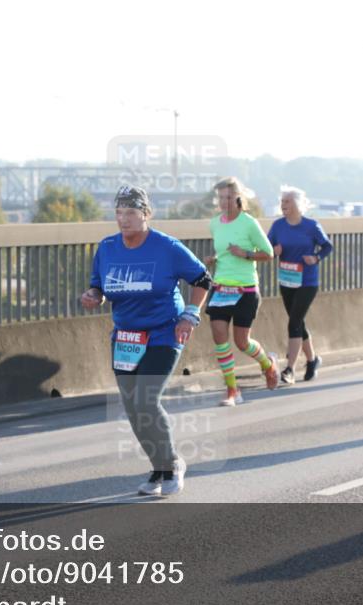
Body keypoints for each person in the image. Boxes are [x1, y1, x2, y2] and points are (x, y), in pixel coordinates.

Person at [82, 185, 211, 496]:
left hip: (164, 332)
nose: (123, 219)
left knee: (146, 400)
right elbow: (98, 287)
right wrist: (93, 296)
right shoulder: (108, 247)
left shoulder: (167, 247)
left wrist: (190, 314)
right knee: (132, 407)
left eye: (130, 212)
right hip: (126, 336)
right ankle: (159, 467)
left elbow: (203, 279)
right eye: (119, 212)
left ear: (146, 214)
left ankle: (172, 465)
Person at [204, 177, 278, 406]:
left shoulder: (249, 223)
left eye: (228, 197)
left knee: (242, 342)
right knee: (219, 335)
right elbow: (225, 250)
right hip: (221, 286)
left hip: (245, 289)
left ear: (237, 198)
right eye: (220, 198)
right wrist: (214, 259)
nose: (224, 202)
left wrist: (245, 254)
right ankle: (232, 390)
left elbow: (269, 253)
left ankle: (267, 364)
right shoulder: (215, 223)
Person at [268, 186, 333, 384]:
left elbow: (327, 246)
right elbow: (267, 247)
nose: (283, 205)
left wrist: (316, 257)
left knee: (294, 322)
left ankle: (289, 369)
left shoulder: (311, 226)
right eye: (282, 202)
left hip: (307, 281)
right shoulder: (278, 226)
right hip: (287, 280)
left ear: (297, 204)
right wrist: (274, 250)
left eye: (287, 201)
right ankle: (312, 360)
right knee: (298, 322)